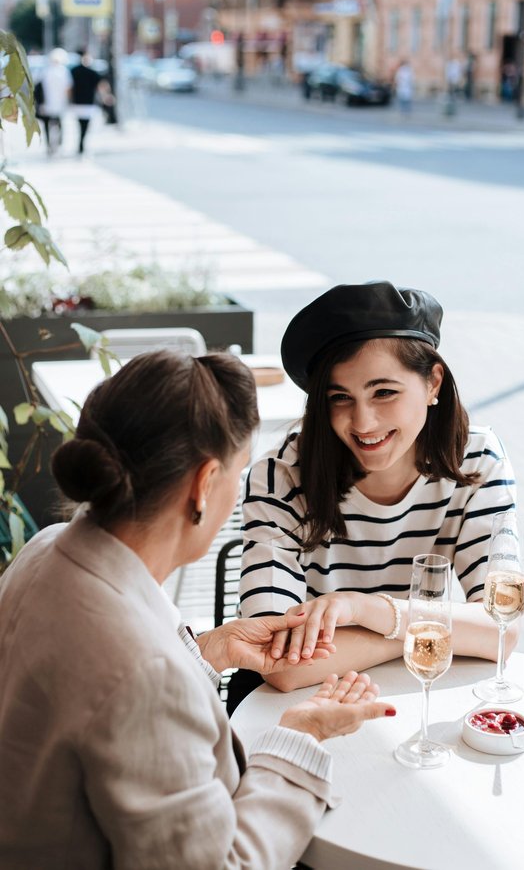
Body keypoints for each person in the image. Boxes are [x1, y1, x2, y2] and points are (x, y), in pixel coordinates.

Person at [0, 349, 395, 868]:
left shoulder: (44, 549)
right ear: (205, 484)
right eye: (239, 471)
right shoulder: (148, 676)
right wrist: (300, 738)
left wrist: (210, 650)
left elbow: (96, 697)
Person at [235, 282, 524, 704]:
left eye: (384, 392)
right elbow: (276, 662)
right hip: (300, 702)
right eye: (340, 398)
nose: (363, 422)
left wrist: (366, 610)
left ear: (433, 383)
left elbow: (502, 630)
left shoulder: (477, 459)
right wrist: (421, 630)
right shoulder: (279, 476)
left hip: (409, 690)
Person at [38, 47, 72, 155]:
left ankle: (49, 144)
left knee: (47, 124)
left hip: (48, 103)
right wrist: (69, 100)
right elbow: (68, 88)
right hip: (59, 103)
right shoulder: (63, 71)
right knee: (59, 123)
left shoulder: (46, 71)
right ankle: (59, 142)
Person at [70, 48, 102, 154]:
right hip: (88, 103)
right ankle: (81, 144)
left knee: (80, 124)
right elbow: (101, 86)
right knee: (85, 125)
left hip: (78, 102)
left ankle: (81, 143)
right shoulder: (92, 72)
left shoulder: (74, 71)